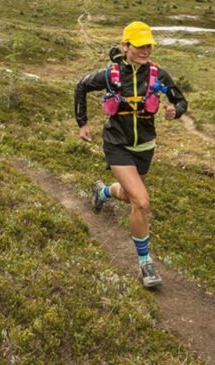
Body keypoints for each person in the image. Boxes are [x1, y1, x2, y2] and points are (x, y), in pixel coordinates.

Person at [73, 21, 188, 288]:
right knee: (142, 202)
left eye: (148, 45)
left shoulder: (159, 75)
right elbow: (80, 86)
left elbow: (180, 100)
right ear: (125, 46)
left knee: (129, 196)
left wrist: (176, 111)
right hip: (117, 144)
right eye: (139, 45)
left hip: (145, 146)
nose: (145, 50)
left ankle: (102, 193)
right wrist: (83, 123)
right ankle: (146, 264)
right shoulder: (110, 74)